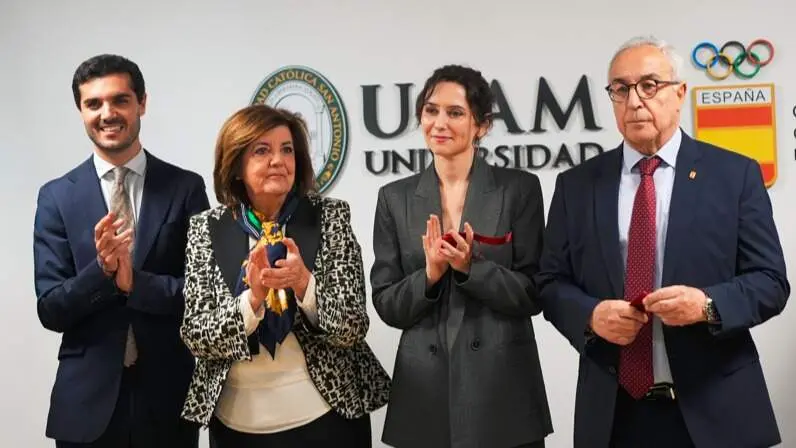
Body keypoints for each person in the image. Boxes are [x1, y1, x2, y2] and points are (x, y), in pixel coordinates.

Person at [536, 36, 790, 448]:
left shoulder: (734, 175)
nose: (635, 100)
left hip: (717, 409)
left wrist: (707, 306)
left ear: (679, 93)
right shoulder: (577, 186)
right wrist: (591, 315)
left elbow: (771, 282)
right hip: (615, 414)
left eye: (649, 85)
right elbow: (549, 282)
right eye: (621, 88)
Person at [179, 104, 390, 447]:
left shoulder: (330, 217)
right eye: (262, 150)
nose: (278, 160)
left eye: (286, 149)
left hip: (326, 419)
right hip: (238, 427)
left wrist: (304, 284)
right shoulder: (205, 228)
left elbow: (352, 326)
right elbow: (196, 336)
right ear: (235, 166)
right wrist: (253, 299)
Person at [370, 64, 553, 448]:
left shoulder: (519, 189)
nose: (439, 122)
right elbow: (387, 304)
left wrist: (471, 268)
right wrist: (431, 275)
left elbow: (534, 292)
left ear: (481, 125)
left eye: (455, 113)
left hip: (503, 394)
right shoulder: (394, 198)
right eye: (431, 110)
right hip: (425, 399)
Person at [33, 54, 209, 447]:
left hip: (167, 400)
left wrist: (135, 283)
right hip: (85, 406)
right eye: (93, 103)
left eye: (120, 100)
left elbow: (203, 295)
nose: (107, 113)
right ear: (80, 110)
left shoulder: (185, 189)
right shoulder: (56, 197)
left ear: (142, 103)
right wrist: (101, 273)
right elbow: (50, 308)